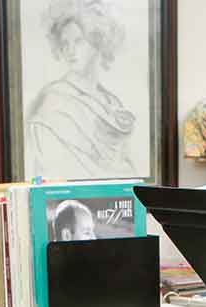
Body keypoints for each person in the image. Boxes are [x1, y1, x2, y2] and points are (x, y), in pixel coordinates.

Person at [25, 0, 138, 178]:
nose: (70, 51)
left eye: (78, 41)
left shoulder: (111, 102)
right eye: (65, 43)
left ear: (98, 43)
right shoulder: (52, 101)